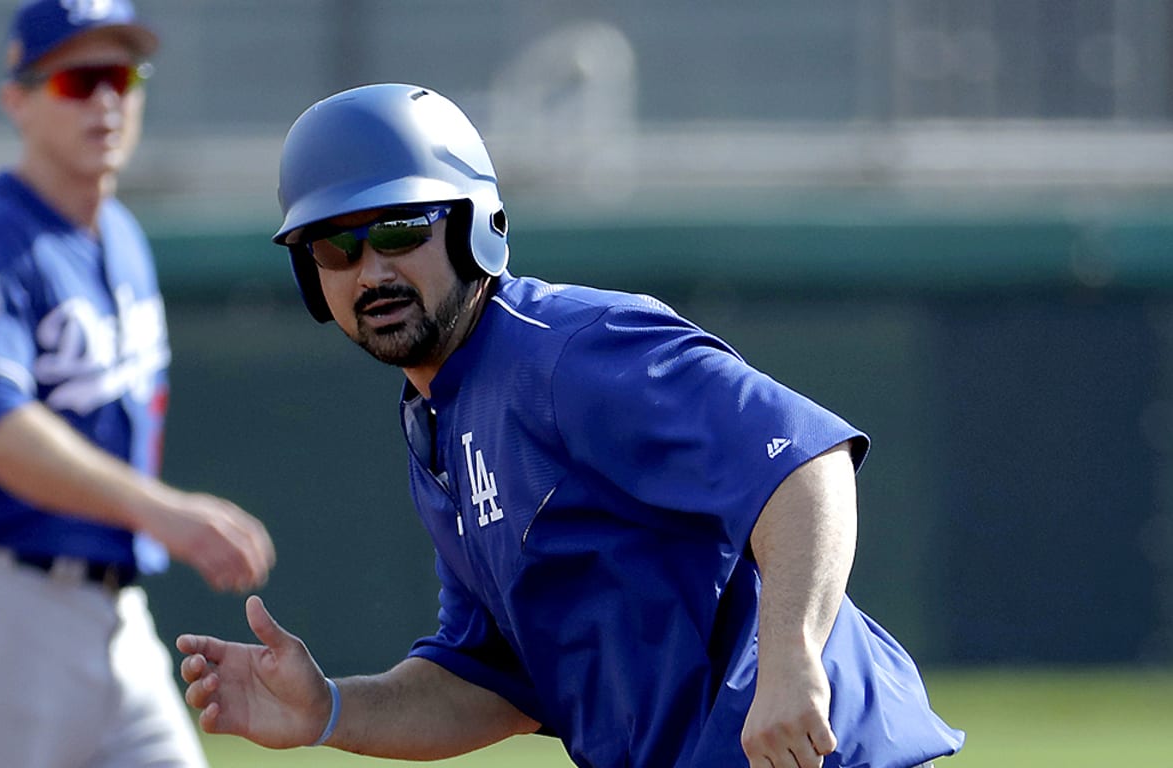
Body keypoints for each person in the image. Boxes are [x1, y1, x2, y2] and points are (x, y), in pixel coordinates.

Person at [176, 83, 964, 768]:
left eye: (400, 229)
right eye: (337, 245)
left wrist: (794, 659)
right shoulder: (437, 421)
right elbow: (493, 682)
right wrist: (329, 713)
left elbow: (804, 465)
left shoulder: (570, 352)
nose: (372, 270)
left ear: (470, 225)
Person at [0, 2, 276, 766]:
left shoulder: (121, 235)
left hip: (113, 612)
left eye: (124, 76)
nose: (106, 100)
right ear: (17, 100)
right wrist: (163, 512)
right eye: (79, 79)